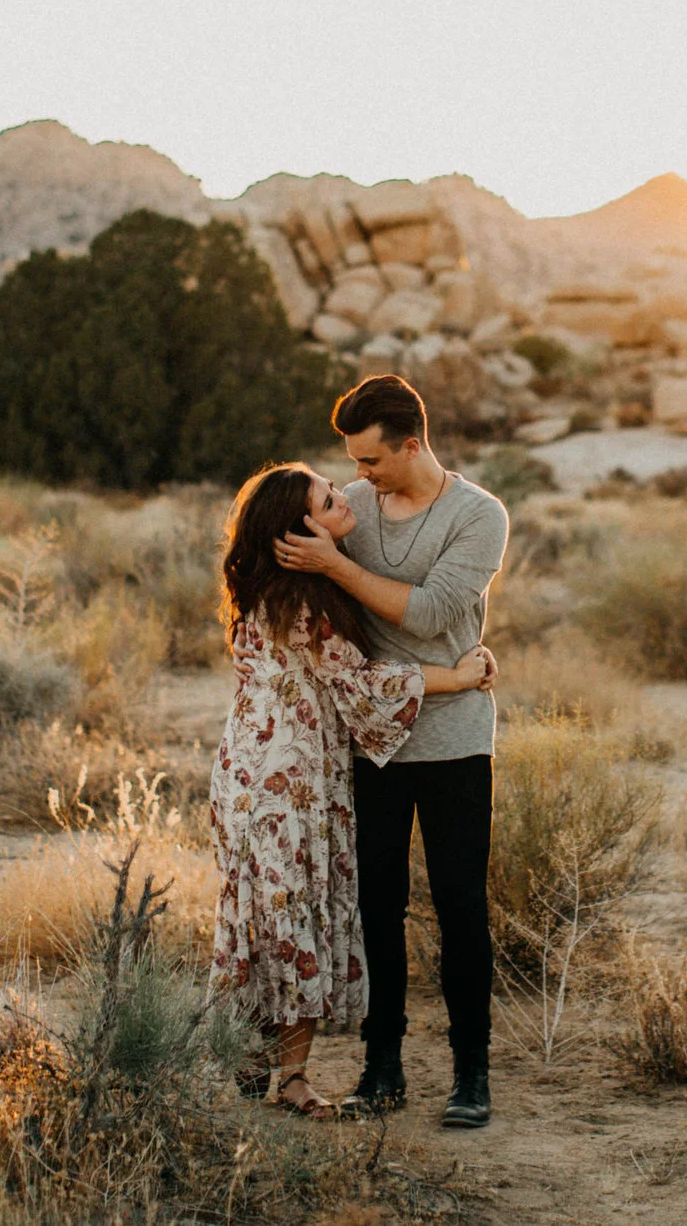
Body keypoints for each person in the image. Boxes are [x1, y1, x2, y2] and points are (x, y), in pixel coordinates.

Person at [210, 461, 497, 1121]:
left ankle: (259, 1064)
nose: (351, 498)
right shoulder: (305, 600)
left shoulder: (264, 589)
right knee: (294, 918)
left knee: (260, 916)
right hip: (291, 780)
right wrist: (460, 676)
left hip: (244, 774)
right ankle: (292, 1076)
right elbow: (364, 687)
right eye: (332, 498)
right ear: (302, 529)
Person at [274, 374, 509, 1129]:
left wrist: (335, 566)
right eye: (353, 462)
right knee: (376, 907)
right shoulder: (349, 508)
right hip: (369, 743)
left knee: (461, 906)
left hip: (455, 740)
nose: (360, 476)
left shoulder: (479, 516)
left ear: (412, 443)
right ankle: (384, 1068)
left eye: (372, 460)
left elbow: (435, 609)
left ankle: (471, 1072)